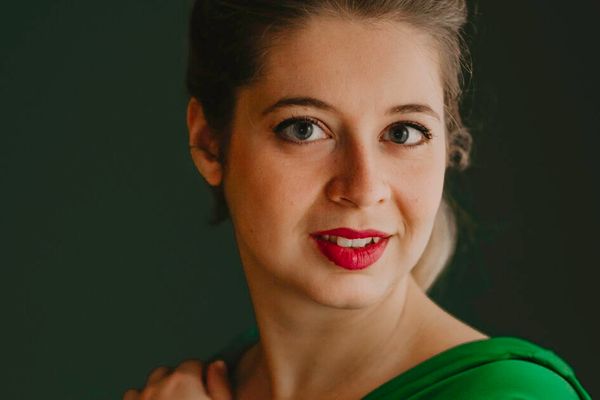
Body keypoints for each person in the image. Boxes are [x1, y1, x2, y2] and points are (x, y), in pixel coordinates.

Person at [124, 1, 591, 399]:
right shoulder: (219, 380)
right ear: (209, 143)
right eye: (304, 129)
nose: (364, 188)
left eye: (403, 132)